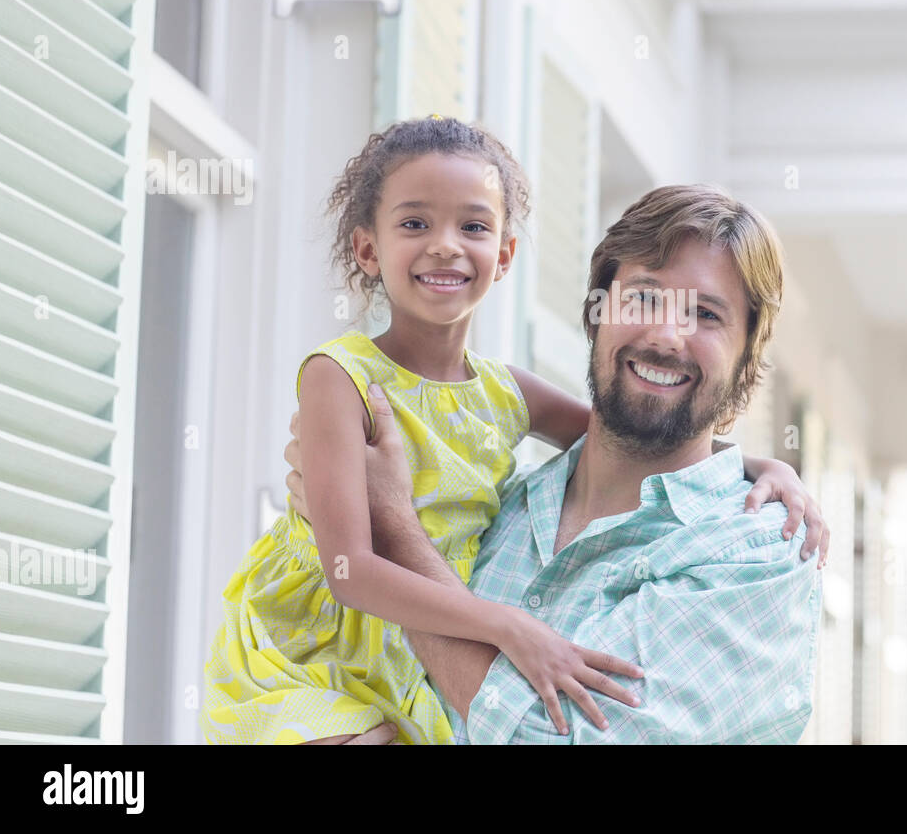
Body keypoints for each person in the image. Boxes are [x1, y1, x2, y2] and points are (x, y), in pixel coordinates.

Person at [200, 118, 827, 744]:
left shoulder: (756, 555)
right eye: (643, 297)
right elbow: (611, 435)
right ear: (597, 313)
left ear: (748, 356)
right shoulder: (493, 505)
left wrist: (392, 521)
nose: (666, 334)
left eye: (706, 314)